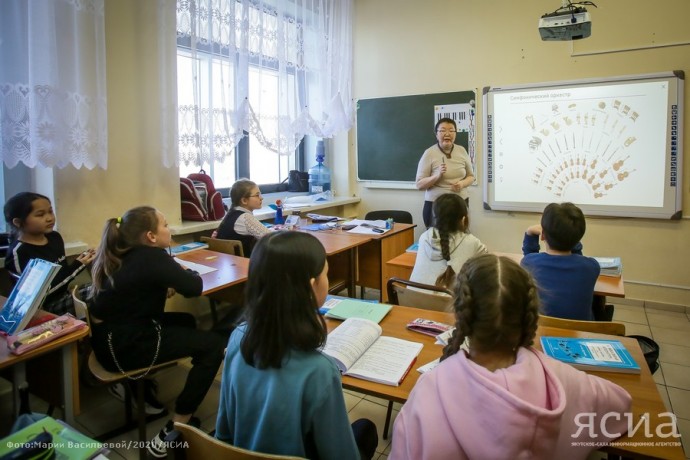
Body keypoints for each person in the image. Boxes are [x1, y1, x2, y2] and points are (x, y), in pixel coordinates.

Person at [390, 254, 631, 460]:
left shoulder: (428, 391)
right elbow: (622, 407)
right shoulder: (564, 381)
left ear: (460, 313)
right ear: (528, 313)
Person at [216, 231, 378, 460]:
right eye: (327, 275)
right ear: (312, 286)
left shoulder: (236, 338)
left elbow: (223, 430)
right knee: (365, 429)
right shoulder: (319, 370)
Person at [88, 206, 225, 458]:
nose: (169, 228)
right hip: (127, 348)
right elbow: (193, 287)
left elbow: (134, 289)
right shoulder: (154, 257)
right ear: (151, 236)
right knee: (214, 345)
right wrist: (184, 272)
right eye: (164, 224)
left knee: (185, 320)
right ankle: (178, 422)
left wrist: (164, 282)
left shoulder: (120, 253)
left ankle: (144, 386)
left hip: (108, 341)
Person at [3, 192, 95, 315]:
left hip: (65, 296)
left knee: (109, 285)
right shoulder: (19, 252)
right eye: (40, 214)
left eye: (50, 212)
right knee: (102, 293)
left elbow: (62, 274)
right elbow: (38, 295)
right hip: (42, 309)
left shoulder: (54, 237)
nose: (49, 218)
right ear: (18, 222)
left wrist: (82, 261)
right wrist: (78, 265)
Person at [521, 202, 601, 321]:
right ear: (579, 238)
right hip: (581, 334)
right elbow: (578, 259)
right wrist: (571, 237)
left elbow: (530, 256)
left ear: (543, 236)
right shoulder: (592, 267)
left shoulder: (528, 262)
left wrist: (530, 233)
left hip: (542, 332)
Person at [410, 193, 487, 290]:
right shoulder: (472, 242)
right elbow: (487, 264)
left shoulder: (424, 237)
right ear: (463, 219)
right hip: (447, 303)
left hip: (409, 300)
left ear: (435, 217)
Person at [415, 117, 475, 228]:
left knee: (458, 238)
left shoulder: (461, 150)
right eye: (442, 130)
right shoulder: (429, 153)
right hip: (436, 206)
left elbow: (471, 177)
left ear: (455, 133)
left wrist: (462, 184)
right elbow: (419, 184)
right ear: (436, 134)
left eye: (451, 130)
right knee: (437, 240)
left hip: (459, 203)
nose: (447, 133)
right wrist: (437, 176)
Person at [214, 179, 270, 257]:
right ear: (244, 200)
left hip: (228, 263)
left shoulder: (231, 213)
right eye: (257, 195)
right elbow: (271, 239)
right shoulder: (245, 217)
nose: (261, 198)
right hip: (243, 264)